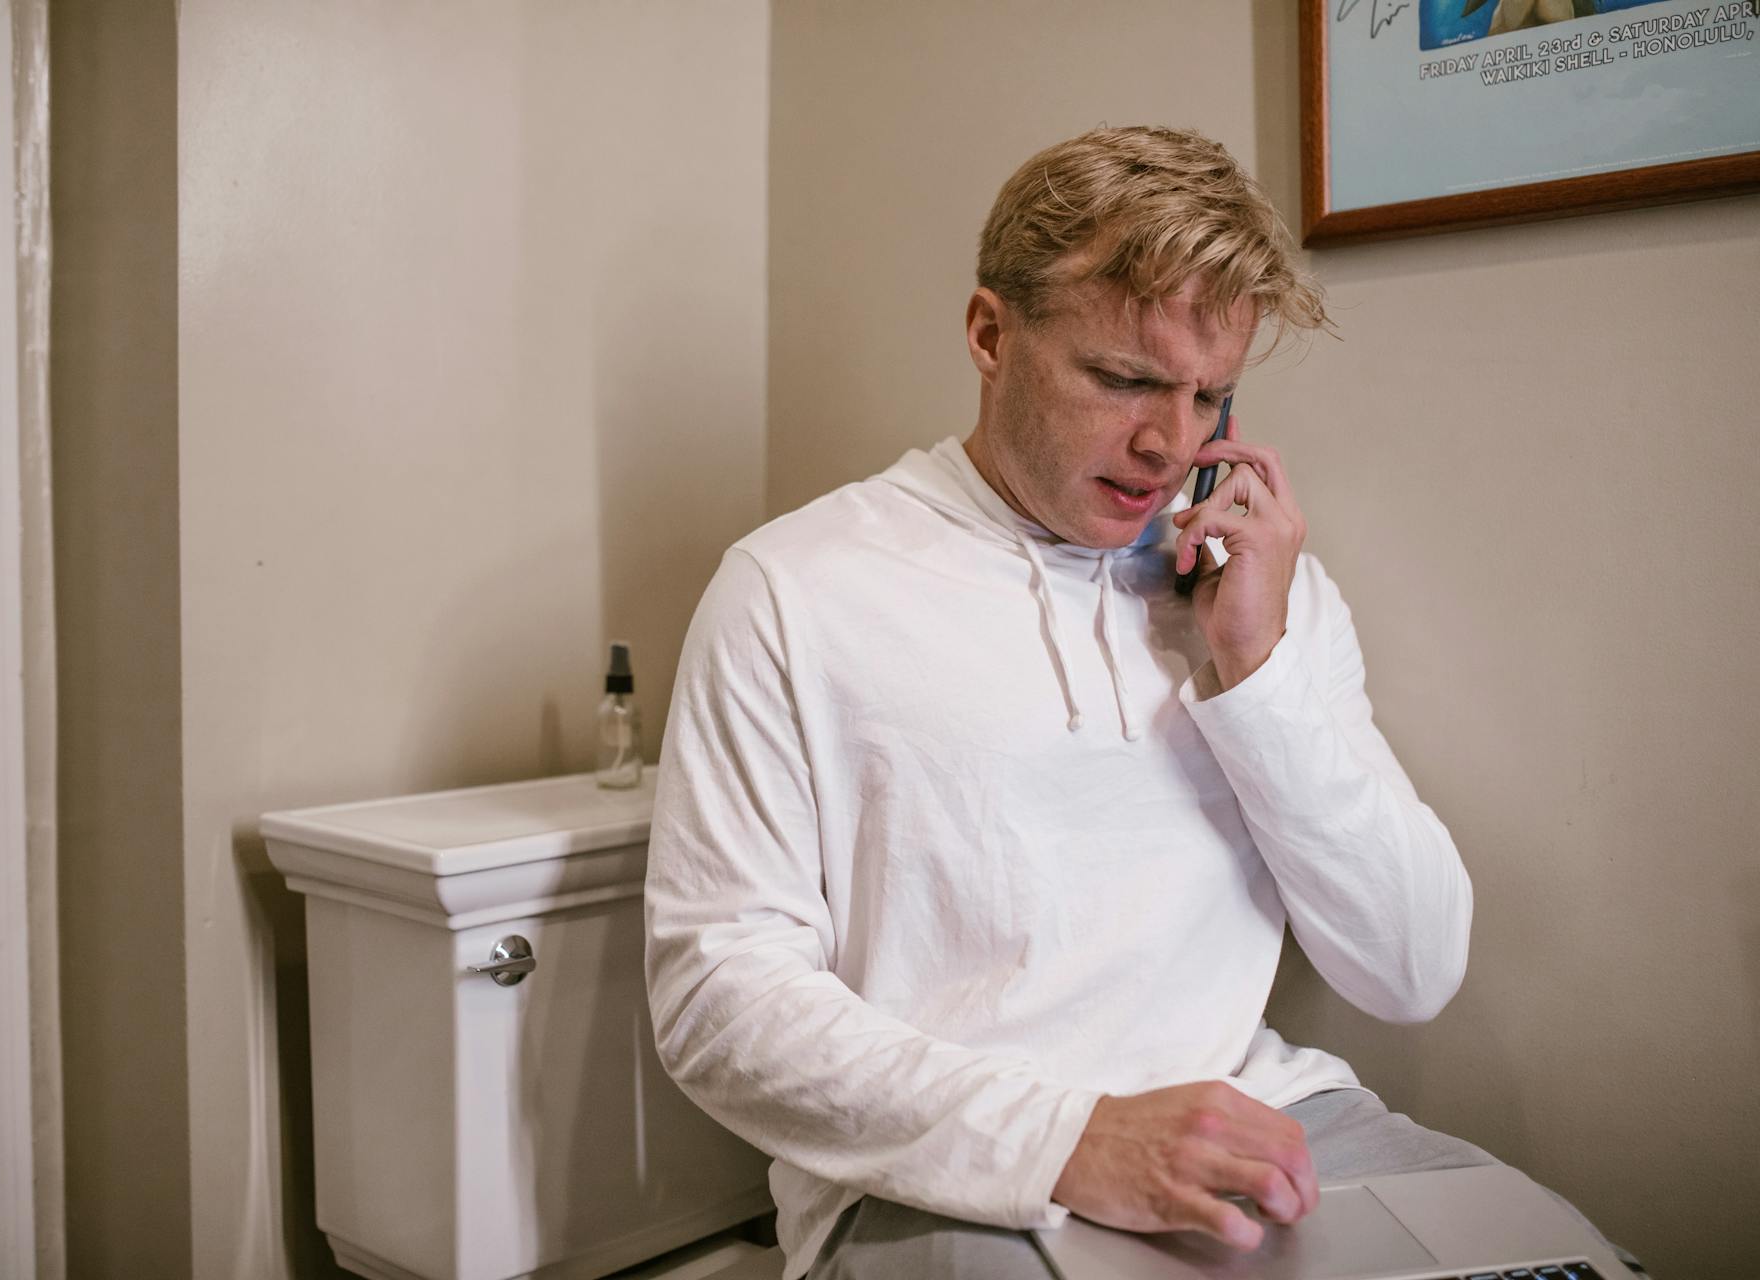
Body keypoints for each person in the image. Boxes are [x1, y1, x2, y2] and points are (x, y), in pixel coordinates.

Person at [643, 125, 1632, 1280]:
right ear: (989, 332)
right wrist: (1070, 1138)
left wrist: (1254, 668)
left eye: (1213, 394)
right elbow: (719, 997)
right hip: (943, 1175)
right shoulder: (795, 588)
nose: (1172, 444)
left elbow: (1411, 967)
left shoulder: (1262, 593)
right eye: (1122, 380)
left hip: (1265, 1118)